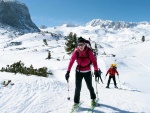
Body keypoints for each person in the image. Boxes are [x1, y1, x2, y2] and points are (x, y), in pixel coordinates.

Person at [65, 37, 101, 107]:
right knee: (77, 88)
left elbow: (94, 61)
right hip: (79, 72)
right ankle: (76, 102)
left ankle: (93, 99)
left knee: (89, 86)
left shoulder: (89, 51)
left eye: (81, 44)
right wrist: (68, 72)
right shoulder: (76, 51)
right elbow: (71, 62)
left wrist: (96, 70)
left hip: (87, 71)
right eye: (79, 45)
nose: (80, 46)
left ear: (85, 44)